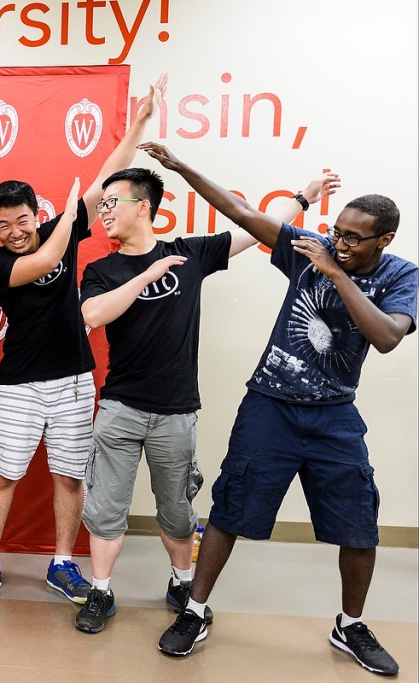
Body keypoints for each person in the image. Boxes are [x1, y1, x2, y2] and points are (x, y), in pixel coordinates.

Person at [142, 143, 416, 676]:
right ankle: (195, 611)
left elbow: (386, 337)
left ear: (385, 239)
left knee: (360, 524)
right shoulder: (312, 246)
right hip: (270, 404)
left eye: (353, 238)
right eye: (336, 231)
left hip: (335, 413)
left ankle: (350, 625)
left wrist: (336, 274)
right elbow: (243, 213)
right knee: (230, 508)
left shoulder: (402, 276)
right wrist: (181, 167)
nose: (339, 243)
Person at [74, 163, 338, 634]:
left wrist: (304, 196)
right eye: (103, 204)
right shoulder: (103, 269)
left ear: (145, 207)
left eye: (113, 202)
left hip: (176, 412)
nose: (105, 211)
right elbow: (92, 315)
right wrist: (146, 274)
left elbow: (257, 226)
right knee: (106, 508)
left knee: (176, 508)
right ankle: (101, 590)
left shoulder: (190, 253)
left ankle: (182, 582)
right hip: (119, 408)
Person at [0, 75, 167, 606]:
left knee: (70, 480)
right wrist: (72, 210)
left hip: (73, 382)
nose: (13, 232)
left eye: (21, 220)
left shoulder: (61, 224)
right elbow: (47, 260)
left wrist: (139, 122)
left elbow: (107, 177)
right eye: (3, 225)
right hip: (19, 385)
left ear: (34, 212)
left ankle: (61, 564)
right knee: (3, 475)